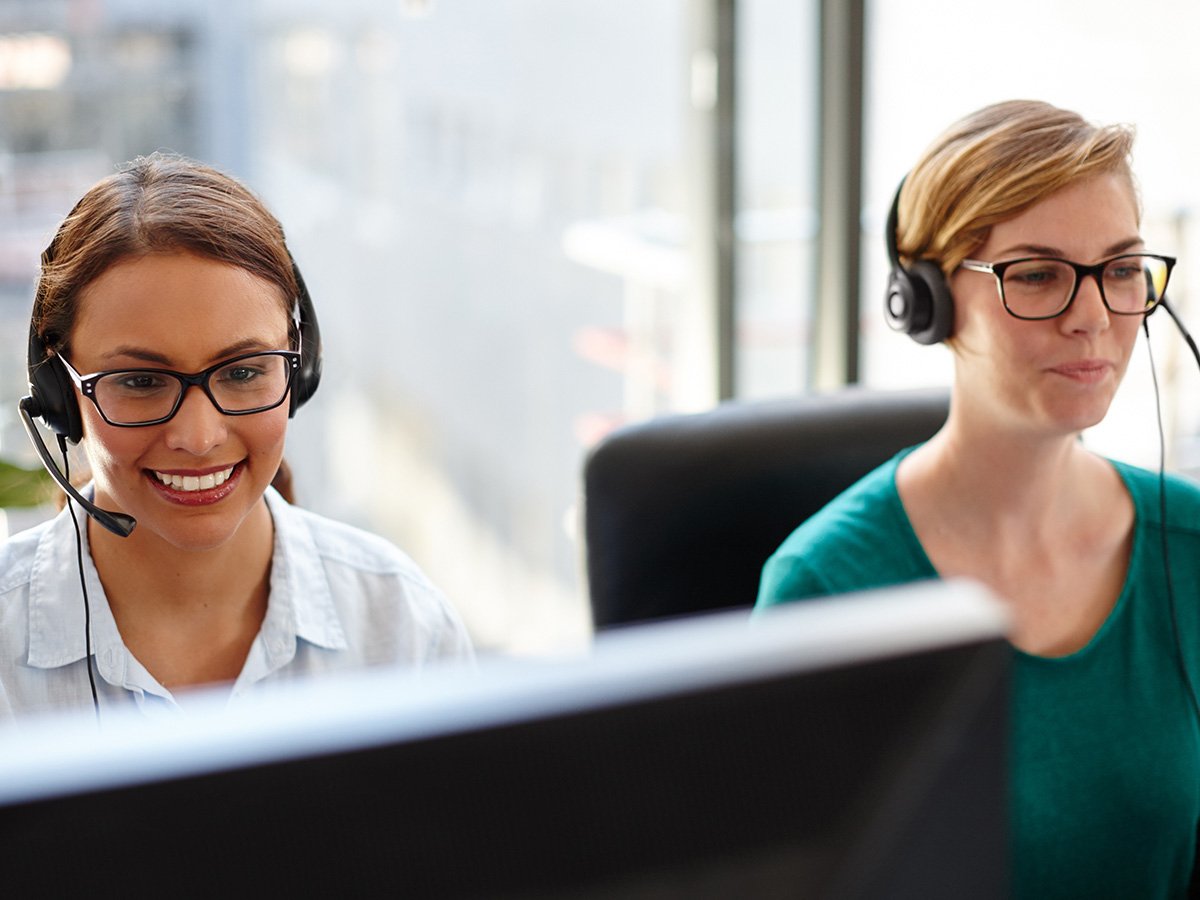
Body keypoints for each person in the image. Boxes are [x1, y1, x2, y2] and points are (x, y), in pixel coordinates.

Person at [755, 100, 1200, 898]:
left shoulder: (1192, 546)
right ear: (927, 300)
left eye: (1124, 269)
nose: (1094, 318)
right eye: (1037, 275)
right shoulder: (824, 589)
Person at [0, 152, 473, 720]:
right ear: (59, 392)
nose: (198, 437)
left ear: (299, 370)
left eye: (244, 372)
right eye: (142, 381)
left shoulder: (402, 627)